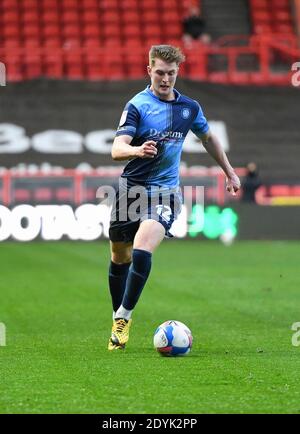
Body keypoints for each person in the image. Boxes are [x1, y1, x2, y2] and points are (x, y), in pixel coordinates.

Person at [107, 45, 240, 350]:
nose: (165, 79)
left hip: (166, 193)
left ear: (177, 72)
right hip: (131, 190)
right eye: (159, 73)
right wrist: (137, 150)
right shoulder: (138, 105)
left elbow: (207, 137)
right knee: (120, 256)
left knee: (142, 249)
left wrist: (229, 172)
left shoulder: (189, 108)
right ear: (149, 71)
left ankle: (123, 318)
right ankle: (117, 314)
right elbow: (117, 149)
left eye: (171, 73)